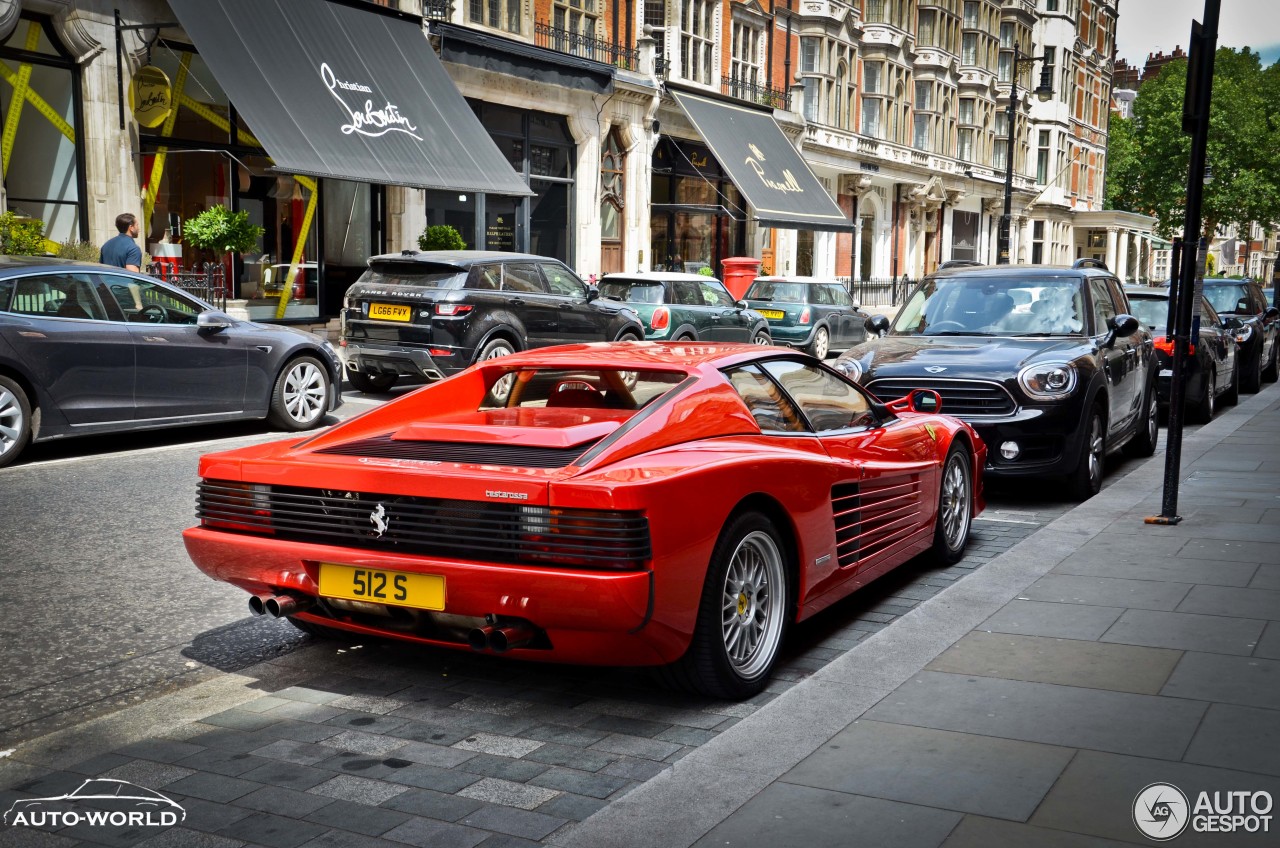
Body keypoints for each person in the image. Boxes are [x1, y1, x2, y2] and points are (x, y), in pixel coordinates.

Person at [99, 212, 144, 310]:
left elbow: (100, 270)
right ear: (131, 227)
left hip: (105, 294)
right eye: (137, 225)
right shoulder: (133, 248)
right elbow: (132, 277)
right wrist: (138, 303)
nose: (139, 228)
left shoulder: (106, 245)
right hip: (124, 297)